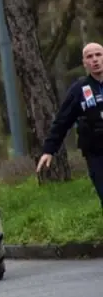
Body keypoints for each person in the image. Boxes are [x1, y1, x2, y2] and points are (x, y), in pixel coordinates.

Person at [37, 42, 103, 209]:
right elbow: (62, 121)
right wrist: (49, 150)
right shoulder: (79, 89)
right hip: (96, 152)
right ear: (84, 63)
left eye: (98, 55)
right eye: (90, 57)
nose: (95, 60)